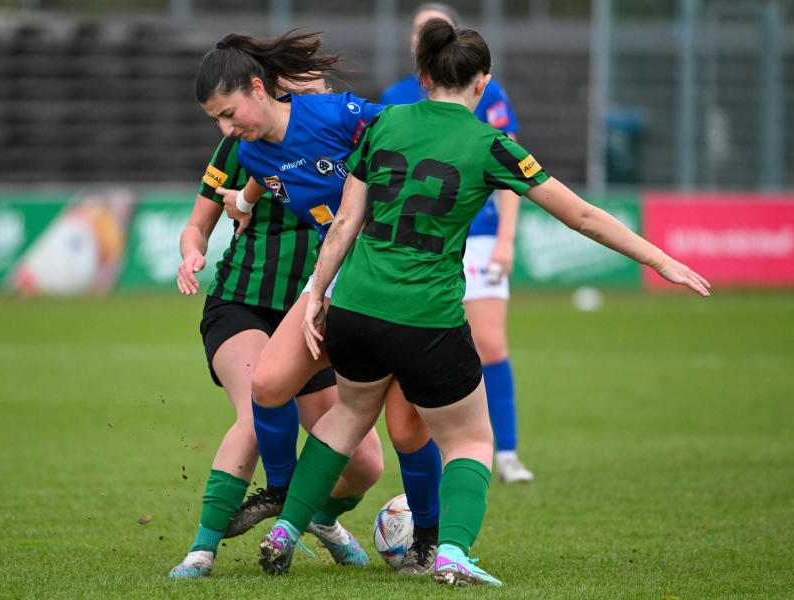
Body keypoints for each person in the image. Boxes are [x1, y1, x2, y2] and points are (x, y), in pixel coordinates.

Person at [257, 18, 711, 587]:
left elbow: (346, 221)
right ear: (483, 82)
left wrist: (316, 295)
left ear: (423, 76)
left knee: (347, 417)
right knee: (469, 439)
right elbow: (581, 215)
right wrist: (659, 260)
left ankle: (285, 531)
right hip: (426, 315)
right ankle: (451, 553)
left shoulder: (387, 121)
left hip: (355, 302)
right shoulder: (491, 144)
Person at [169, 54, 382, 578]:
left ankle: (318, 519)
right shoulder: (242, 143)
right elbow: (199, 224)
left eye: (318, 92)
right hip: (242, 301)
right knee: (258, 406)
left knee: (365, 464)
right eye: (299, 89)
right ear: (270, 89)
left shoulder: (340, 135)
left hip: (313, 309)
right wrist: (192, 253)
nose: (309, 99)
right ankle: (202, 550)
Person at [381, 2, 534, 485]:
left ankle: (505, 453)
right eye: (420, 30)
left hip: (480, 233)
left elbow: (514, 170)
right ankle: (435, 457)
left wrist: (506, 238)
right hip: (421, 242)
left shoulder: (485, 88)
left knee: (490, 344)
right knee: (415, 355)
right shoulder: (394, 98)